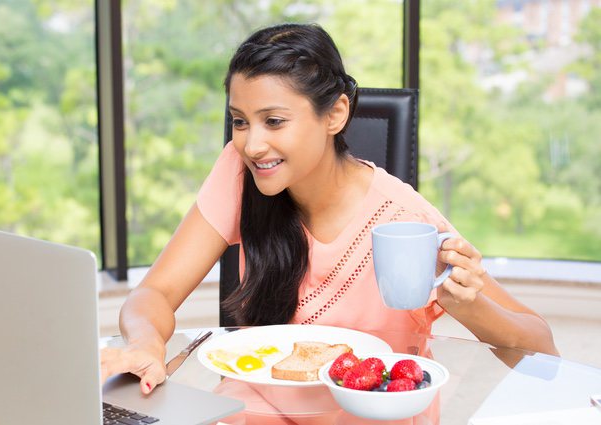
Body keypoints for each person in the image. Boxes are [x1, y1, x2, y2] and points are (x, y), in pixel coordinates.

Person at [100, 23, 558, 398]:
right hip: (258, 407)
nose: (252, 144)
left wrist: (470, 305)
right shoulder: (239, 172)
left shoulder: (405, 219)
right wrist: (145, 342)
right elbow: (154, 294)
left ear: (335, 114)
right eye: (240, 120)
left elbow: (542, 352)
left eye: (274, 121)